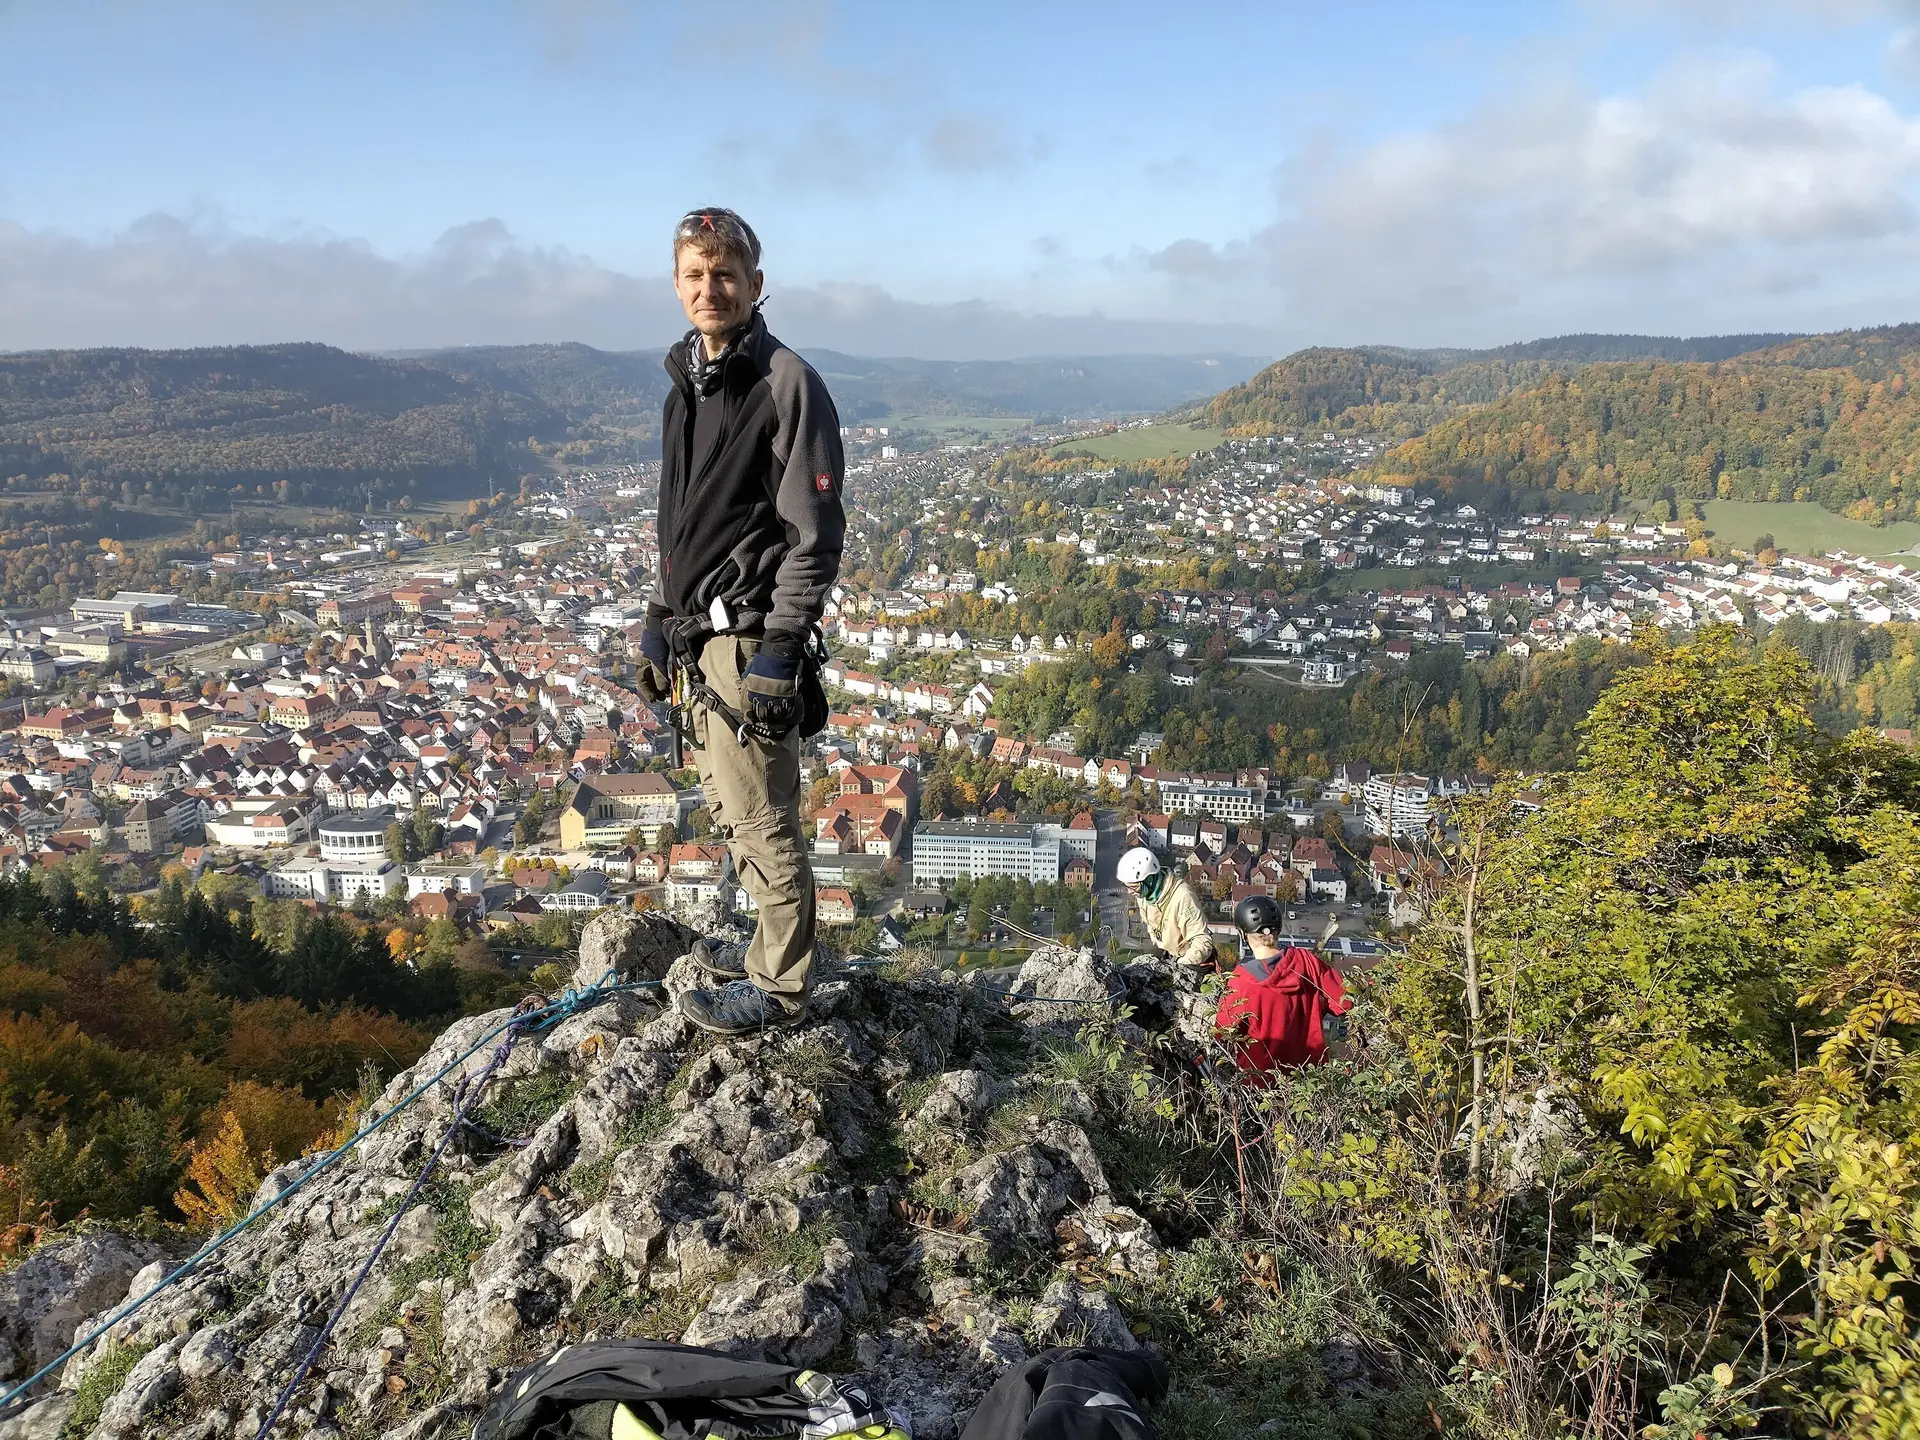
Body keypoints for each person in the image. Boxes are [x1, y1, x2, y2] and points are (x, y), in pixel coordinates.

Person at [634, 208, 845, 1036]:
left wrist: (782, 648)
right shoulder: (686, 384)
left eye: (725, 274)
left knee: (762, 815)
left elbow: (815, 535)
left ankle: (781, 988)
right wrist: (661, 614)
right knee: (731, 805)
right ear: (677, 286)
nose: (709, 289)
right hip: (704, 636)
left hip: (751, 636)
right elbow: (679, 521)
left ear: (757, 284)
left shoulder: (784, 382)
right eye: (695, 275)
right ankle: (768, 948)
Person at [1214, 894, 1351, 1081]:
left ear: (1242, 933)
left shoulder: (1241, 981)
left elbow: (1221, 1033)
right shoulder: (1308, 962)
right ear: (1277, 930)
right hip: (1310, 1081)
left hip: (1261, 1088)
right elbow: (1344, 1003)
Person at [1117, 845, 1216, 971]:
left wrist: (1181, 966)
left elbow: (1202, 940)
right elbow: (1151, 925)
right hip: (1169, 954)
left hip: (1193, 962)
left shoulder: (1182, 897)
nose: (1129, 892)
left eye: (1133, 887)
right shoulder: (1145, 895)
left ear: (1149, 879)